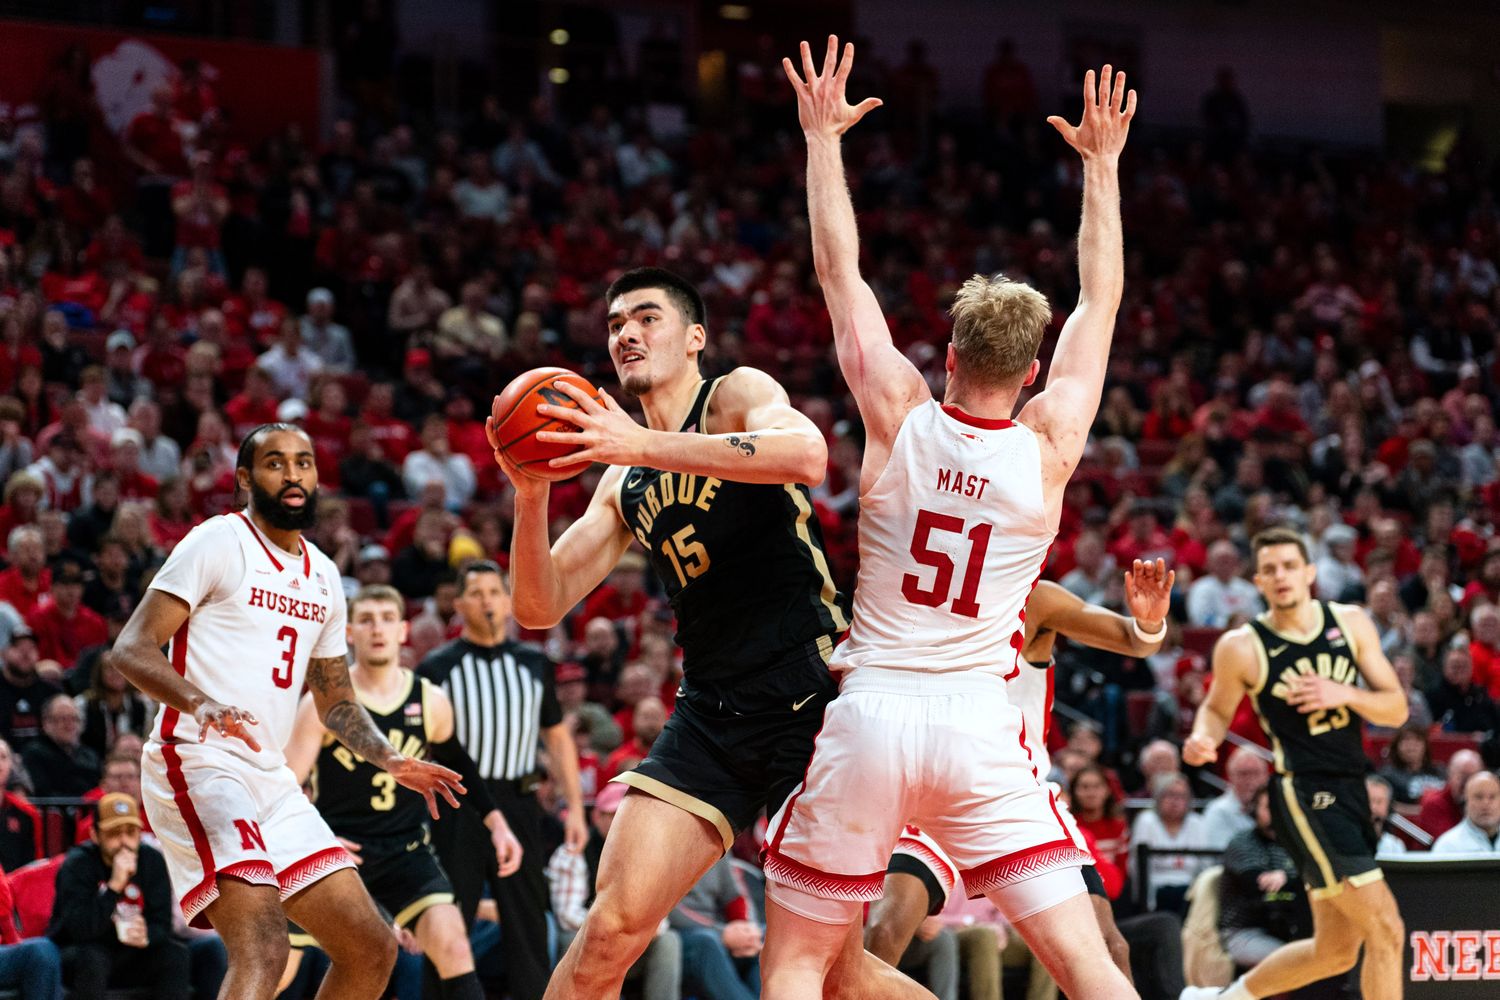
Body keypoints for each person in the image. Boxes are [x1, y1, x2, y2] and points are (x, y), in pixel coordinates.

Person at [762, 39, 1138, 999]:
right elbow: (1102, 297)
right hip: (978, 725)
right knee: (1091, 970)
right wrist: (1102, 168)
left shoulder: (898, 410)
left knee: (803, 963)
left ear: (948, 352)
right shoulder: (1051, 441)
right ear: (1033, 369)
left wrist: (821, 139)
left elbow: (837, 274)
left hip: (872, 713)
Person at [490, 256, 890, 999]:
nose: (627, 335)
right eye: (614, 325)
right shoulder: (622, 477)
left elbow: (807, 454)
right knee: (607, 935)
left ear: (695, 336)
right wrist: (531, 493)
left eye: (647, 318)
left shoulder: (734, 395)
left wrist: (638, 444)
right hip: (710, 712)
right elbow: (538, 606)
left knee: (837, 976)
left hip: (813, 698)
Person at [110, 422, 464, 1000]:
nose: (293, 474)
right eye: (276, 463)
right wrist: (200, 701)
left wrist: (392, 760)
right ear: (246, 478)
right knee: (266, 948)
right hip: (198, 763)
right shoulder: (217, 541)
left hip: (270, 780)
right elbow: (131, 647)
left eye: (304, 462)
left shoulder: (324, 575)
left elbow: (336, 701)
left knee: (370, 946)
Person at [866, 560, 1175, 986]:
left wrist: (1148, 624)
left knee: (1109, 945)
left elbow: (1134, 641)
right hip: (934, 790)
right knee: (882, 934)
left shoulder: (1035, 599)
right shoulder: (923, 597)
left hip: (1016, 796)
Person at [1181, 526, 1408, 1000]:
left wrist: (1344, 693)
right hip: (1304, 791)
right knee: (1387, 929)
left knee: (1335, 952)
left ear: (1309, 573)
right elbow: (1218, 709)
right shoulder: (1243, 645)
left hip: (1351, 788)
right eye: (1269, 569)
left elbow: (1397, 708)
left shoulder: (1350, 622)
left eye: (1289, 566)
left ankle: (1226, 999)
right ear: (1258, 581)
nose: (1280, 576)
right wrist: (1203, 738)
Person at [284, 584, 523, 1000]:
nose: (378, 628)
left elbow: (460, 768)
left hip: (405, 852)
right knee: (278, 969)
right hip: (338, 854)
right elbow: (285, 787)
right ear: (349, 633)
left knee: (454, 946)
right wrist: (315, 841)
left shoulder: (429, 700)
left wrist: (497, 822)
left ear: (403, 631)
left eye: (387, 619)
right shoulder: (320, 707)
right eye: (367, 619)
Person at [418, 560, 585, 1000]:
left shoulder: (534, 663)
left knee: (528, 923)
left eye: (495, 591)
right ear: (458, 604)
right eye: (476, 592)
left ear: (509, 602)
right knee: (450, 918)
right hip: (460, 806)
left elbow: (556, 737)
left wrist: (577, 809)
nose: (487, 600)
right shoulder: (438, 666)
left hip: (520, 802)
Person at [545, 782, 682, 1000]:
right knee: (568, 938)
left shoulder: (647, 853)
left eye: (626, 815)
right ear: (597, 816)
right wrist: (615, 927)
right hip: (588, 940)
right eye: (612, 814)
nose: (620, 821)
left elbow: (660, 919)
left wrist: (628, 931)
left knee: (668, 941)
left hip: (628, 944)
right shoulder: (574, 851)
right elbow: (567, 915)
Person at [47, 792, 188, 999]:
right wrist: (114, 886)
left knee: (175, 954)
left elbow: (162, 923)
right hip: (81, 952)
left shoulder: (152, 860)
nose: (124, 841)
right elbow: (79, 929)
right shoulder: (78, 864)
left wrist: (147, 935)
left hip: (132, 953)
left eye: (131, 832)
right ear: (95, 835)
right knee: (93, 958)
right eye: (114, 833)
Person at [1217, 785, 1312, 970]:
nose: (1276, 815)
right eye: (1269, 808)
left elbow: (1313, 879)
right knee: (1293, 961)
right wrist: (1294, 879)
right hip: (1244, 932)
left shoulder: (1298, 844)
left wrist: (1286, 878)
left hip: (1291, 928)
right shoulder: (1242, 842)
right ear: (1254, 810)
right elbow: (1256, 883)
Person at [21, 693, 99, 797]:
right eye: (63, 719)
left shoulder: (89, 755)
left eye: (74, 718)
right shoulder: (34, 754)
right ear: (46, 723)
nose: (70, 725)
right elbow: (42, 793)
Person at [1201, 747, 1272, 850]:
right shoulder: (1217, 811)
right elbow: (1220, 853)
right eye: (1244, 774)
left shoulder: (1277, 809)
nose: (1250, 781)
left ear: (1266, 776)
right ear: (1230, 776)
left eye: (1255, 773)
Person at [1416, 748, 1483, 839]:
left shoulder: (1488, 802)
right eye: (1462, 776)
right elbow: (1448, 843)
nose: (1467, 783)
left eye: (1473, 777)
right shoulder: (1434, 803)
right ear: (1450, 775)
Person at [1430, 770, 1500, 854]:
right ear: (1466, 801)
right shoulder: (1447, 846)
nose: (1486, 804)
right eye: (1478, 797)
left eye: (1492, 797)